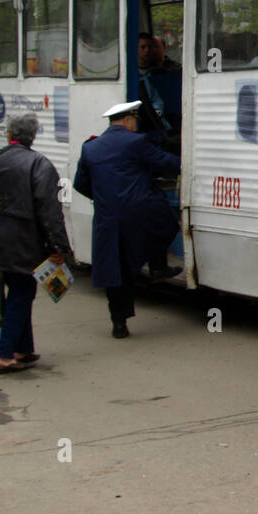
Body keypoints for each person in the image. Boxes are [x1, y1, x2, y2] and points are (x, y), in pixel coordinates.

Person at [0, 112, 72, 373]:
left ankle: (23, 349)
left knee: (18, 293)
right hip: (24, 243)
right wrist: (59, 248)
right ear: (33, 136)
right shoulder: (40, 164)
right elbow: (50, 212)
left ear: (9, 134)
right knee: (21, 294)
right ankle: (4, 354)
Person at [73, 101, 181, 338]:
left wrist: (104, 198)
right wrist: (188, 164)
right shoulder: (136, 141)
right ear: (128, 120)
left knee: (116, 269)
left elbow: (79, 183)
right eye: (134, 121)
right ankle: (158, 266)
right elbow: (164, 161)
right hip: (138, 214)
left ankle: (119, 323)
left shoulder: (90, 147)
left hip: (107, 219)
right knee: (167, 222)